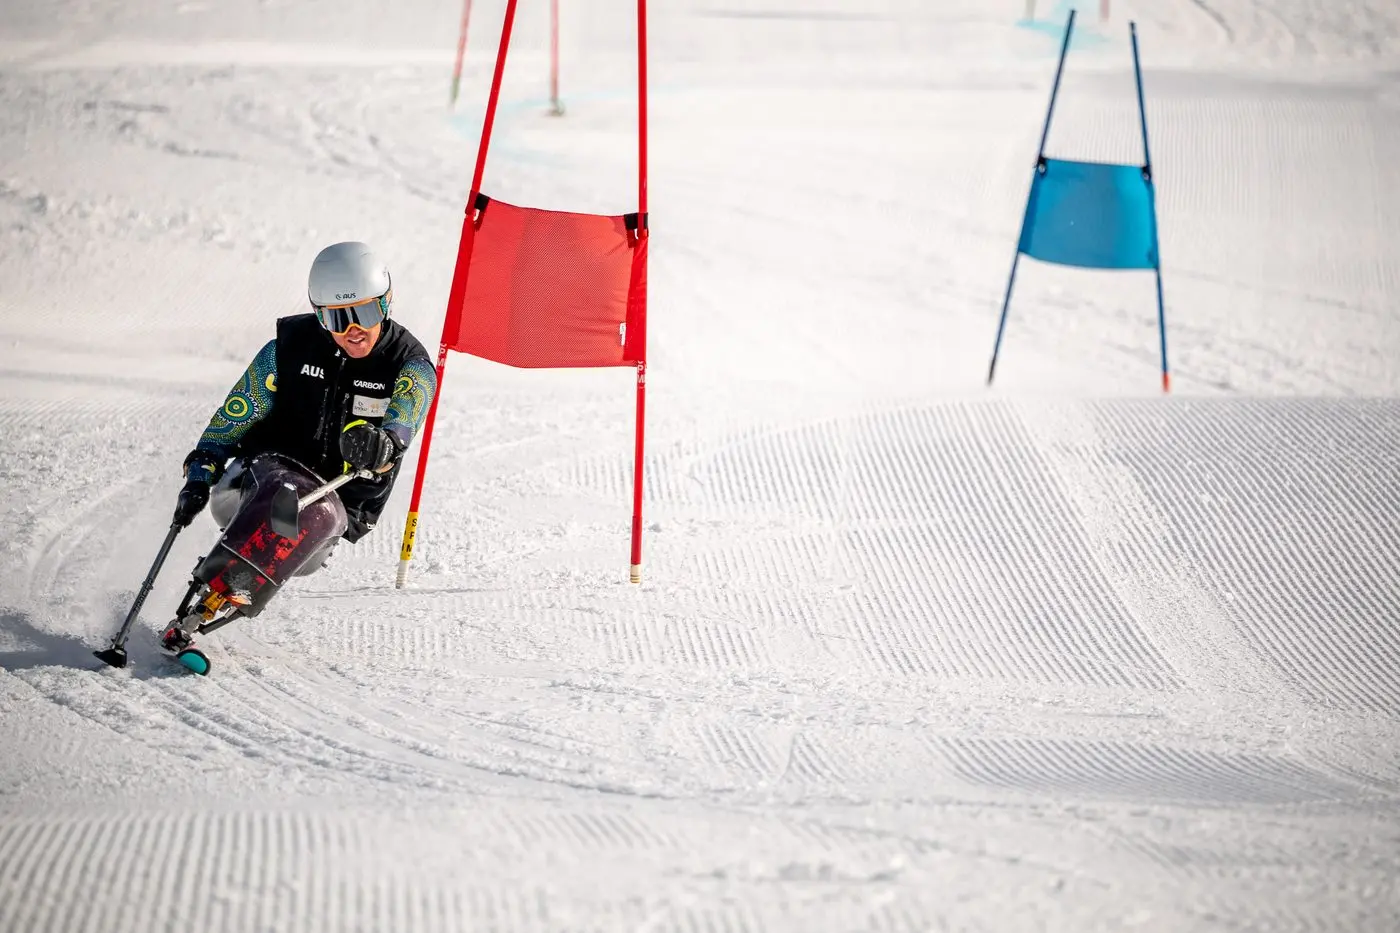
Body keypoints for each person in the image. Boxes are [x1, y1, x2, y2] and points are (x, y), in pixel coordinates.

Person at [171, 240, 438, 582]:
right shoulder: (288, 348)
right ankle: (208, 586)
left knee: (304, 520)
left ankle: (228, 591)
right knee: (270, 496)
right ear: (319, 315)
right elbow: (233, 419)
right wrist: (199, 474)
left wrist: (382, 445)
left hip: (329, 501)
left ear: (386, 303)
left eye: (365, 314)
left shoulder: (409, 366)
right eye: (337, 318)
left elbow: (401, 427)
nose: (353, 331)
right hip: (256, 477)